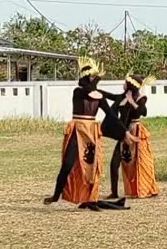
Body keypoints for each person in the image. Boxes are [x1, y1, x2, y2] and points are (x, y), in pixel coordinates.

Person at [45, 58, 121, 211]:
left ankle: (90, 199)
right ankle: (56, 195)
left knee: (91, 167)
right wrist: (97, 77)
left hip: (92, 131)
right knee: (68, 164)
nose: (94, 80)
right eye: (92, 77)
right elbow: (87, 90)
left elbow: (111, 115)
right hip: (78, 129)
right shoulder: (78, 92)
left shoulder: (99, 95)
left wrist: (124, 133)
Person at [108, 74, 159, 200]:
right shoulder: (122, 97)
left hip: (135, 130)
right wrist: (94, 89)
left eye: (125, 82)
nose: (123, 84)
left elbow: (143, 112)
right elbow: (110, 96)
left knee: (139, 162)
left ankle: (143, 187)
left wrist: (131, 101)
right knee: (114, 162)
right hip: (124, 132)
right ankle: (114, 192)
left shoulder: (141, 98)